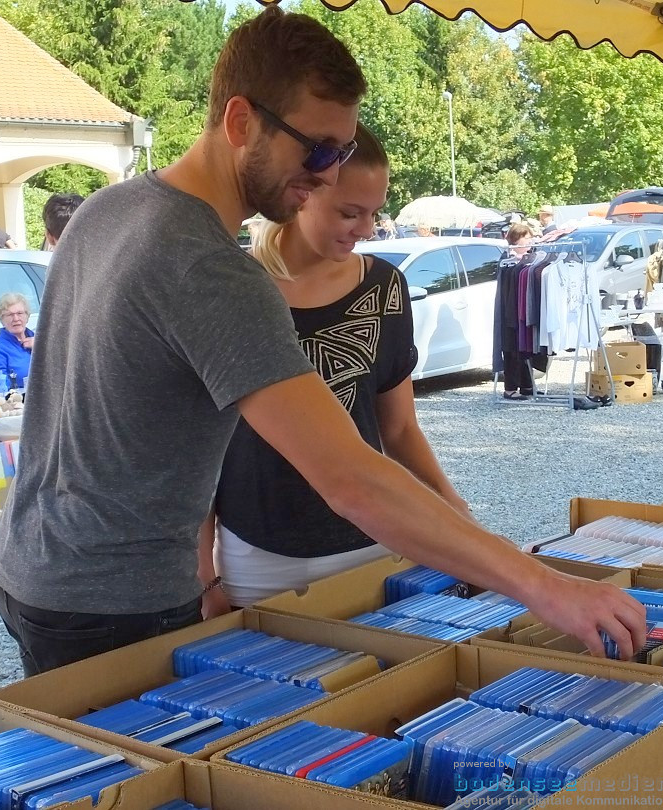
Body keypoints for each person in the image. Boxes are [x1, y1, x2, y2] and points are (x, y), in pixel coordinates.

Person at [0, 7, 644, 677]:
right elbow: (352, 478)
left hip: (31, 566)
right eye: (320, 150)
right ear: (241, 122)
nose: (330, 176)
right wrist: (542, 585)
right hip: (114, 602)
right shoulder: (210, 268)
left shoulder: (110, 208)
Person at [199, 123, 470, 611]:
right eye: (350, 212)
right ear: (302, 194)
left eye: (375, 213)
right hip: (257, 555)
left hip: (374, 542)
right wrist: (205, 575)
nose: (366, 229)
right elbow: (199, 447)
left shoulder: (385, 287)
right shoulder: (233, 289)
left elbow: (400, 427)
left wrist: (453, 509)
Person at [496, 222, 536, 400]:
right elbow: (506, 292)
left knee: (525, 349)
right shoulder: (507, 261)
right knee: (511, 349)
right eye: (526, 237)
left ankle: (527, 386)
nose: (529, 241)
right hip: (510, 313)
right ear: (516, 239)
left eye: (530, 237)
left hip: (522, 312)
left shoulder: (530, 259)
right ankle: (510, 388)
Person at [0, 293, 34, 392]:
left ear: (27, 316)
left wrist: (42, 348)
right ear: (2, 319)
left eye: (20, 313)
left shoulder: (41, 341)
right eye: (10, 315)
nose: (16, 319)